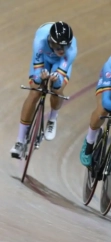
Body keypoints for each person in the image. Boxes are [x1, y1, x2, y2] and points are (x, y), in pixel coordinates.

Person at [10, 21, 77, 159]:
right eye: (58, 46)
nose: (62, 50)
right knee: (35, 91)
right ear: (50, 42)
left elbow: (58, 83)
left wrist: (55, 80)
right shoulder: (39, 42)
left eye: (65, 46)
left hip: (60, 63)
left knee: (56, 89)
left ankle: (53, 118)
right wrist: (40, 78)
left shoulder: (70, 51)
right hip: (44, 59)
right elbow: (36, 78)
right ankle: (20, 140)